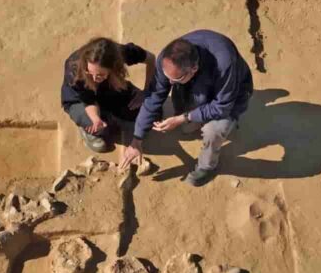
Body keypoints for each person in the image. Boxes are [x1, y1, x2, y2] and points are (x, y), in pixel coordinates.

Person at [120, 30, 253, 187]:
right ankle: (195, 113)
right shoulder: (168, 59)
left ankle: (207, 167)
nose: (168, 82)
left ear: (194, 69)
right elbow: (154, 96)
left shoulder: (224, 63)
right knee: (187, 127)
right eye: (167, 77)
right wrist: (137, 139)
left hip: (231, 96)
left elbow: (222, 106)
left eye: (174, 79)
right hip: (195, 86)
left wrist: (183, 117)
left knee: (213, 130)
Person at [61, 37, 155, 153]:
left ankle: (110, 113)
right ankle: (88, 128)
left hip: (107, 89)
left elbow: (151, 58)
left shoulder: (121, 53)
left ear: (113, 66)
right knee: (103, 130)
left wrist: (145, 91)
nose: (94, 78)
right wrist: (96, 119)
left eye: (99, 74)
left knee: (150, 113)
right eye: (89, 71)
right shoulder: (74, 69)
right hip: (79, 100)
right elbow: (88, 100)